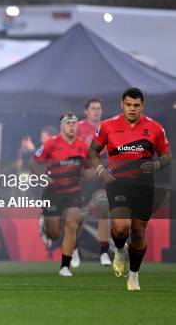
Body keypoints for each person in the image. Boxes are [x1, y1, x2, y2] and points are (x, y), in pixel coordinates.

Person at [89, 87, 171, 291]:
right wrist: (101, 170)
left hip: (143, 185)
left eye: (136, 105)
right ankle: (118, 249)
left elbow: (167, 155)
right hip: (117, 182)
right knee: (120, 227)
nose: (132, 109)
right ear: (121, 105)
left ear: (142, 105)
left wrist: (157, 164)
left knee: (138, 231)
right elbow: (93, 151)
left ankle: (133, 276)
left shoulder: (155, 128)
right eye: (128, 105)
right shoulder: (107, 126)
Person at [31, 112, 90, 276]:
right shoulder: (50, 143)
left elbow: (91, 168)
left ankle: (65, 266)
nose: (72, 125)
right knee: (54, 233)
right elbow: (34, 163)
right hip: (52, 194)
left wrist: (96, 173)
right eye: (68, 123)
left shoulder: (83, 146)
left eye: (74, 122)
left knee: (72, 225)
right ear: (62, 126)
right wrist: (42, 177)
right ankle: (46, 225)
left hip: (73, 193)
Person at [77, 97, 111, 266]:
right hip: (82, 180)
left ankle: (104, 252)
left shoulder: (108, 128)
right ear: (86, 111)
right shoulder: (77, 128)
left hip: (99, 178)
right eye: (93, 108)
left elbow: (111, 154)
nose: (96, 111)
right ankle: (73, 249)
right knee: (78, 217)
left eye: (99, 108)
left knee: (104, 207)